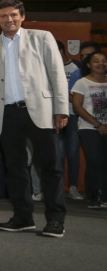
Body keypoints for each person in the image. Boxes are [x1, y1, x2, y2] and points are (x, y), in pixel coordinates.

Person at [0, 0, 69, 237]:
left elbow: (57, 74)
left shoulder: (42, 38)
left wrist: (61, 108)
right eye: (4, 16)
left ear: (22, 17)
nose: (9, 19)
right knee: (15, 169)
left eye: (14, 15)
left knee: (51, 167)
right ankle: (23, 217)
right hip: (6, 114)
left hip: (42, 111)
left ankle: (56, 220)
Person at [71, 51, 107, 209]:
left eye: (104, 61)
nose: (101, 64)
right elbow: (77, 106)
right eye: (96, 61)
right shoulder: (82, 82)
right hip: (89, 127)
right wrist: (98, 124)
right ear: (88, 65)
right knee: (94, 160)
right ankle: (93, 195)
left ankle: (105, 197)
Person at [56, 39, 86, 201]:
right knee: (58, 153)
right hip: (56, 115)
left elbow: (78, 94)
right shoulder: (49, 68)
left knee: (73, 152)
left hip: (74, 115)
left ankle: (73, 187)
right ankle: (59, 188)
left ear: (61, 52)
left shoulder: (77, 67)